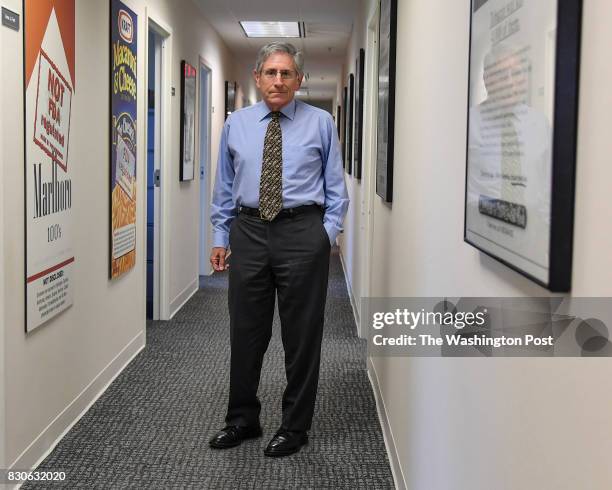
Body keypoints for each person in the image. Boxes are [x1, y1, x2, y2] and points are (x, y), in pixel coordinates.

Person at [208, 42, 349, 457]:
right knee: (246, 332)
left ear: (299, 81)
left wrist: (325, 235)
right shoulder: (237, 124)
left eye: (287, 73)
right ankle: (242, 420)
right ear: (257, 77)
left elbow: (336, 189)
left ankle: (294, 427)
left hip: (302, 232)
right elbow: (224, 187)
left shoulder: (320, 122)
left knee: (302, 336)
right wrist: (221, 236)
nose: (278, 80)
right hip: (248, 231)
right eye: (271, 72)